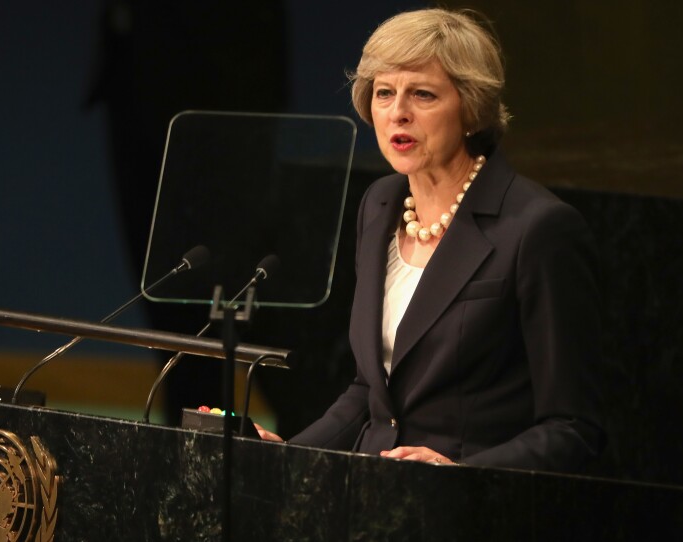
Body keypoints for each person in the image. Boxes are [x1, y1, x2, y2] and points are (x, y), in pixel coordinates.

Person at [256, 8, 605, 473]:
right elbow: (369, 393)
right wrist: (286, 455)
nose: (398, 112)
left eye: (422, 94)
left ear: (471, 108)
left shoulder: (538, 229)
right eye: (384, 93)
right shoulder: (380, 205)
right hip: (371, 493)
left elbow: (572, 427)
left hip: (470, 504)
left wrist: (459, 475)